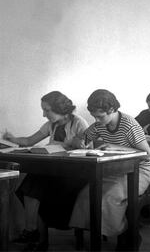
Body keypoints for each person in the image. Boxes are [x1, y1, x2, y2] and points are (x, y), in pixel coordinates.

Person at [3, 91, 88, 251]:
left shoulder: (79, 123)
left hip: (76, 175)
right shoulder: (51, 124)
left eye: (47, 110)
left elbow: (86, 149)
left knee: (32, 186)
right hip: (55, 173)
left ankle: (34, 235)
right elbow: (29, 141)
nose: (44, 114)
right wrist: (12, 139)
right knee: (31, 183)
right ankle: (34, 234)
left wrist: (72, 143)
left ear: (60, 108)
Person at [69, 89, 150, 243]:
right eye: (94, 116)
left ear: (112, 109)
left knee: (108, 197)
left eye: (100, 116)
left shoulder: (129, 125)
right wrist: (79, 142)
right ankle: (96, 233)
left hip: (138, 171)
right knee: (85, 195)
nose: (97, 120)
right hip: (114, 171)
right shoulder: (99, 125)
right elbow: (78, 139)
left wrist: (117, 147)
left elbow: (147, 155)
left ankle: (127, 235)